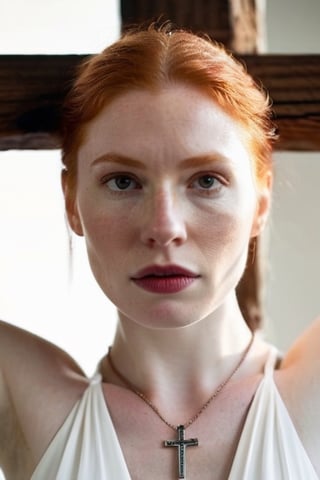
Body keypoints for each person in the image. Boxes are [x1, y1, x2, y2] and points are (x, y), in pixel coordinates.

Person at [0, 23, 319, 480]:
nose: (163, 228)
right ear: (72, 202)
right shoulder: (27, 399)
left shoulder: (311, 402)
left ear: (260, 202)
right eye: (123, 181)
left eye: (206, 180)